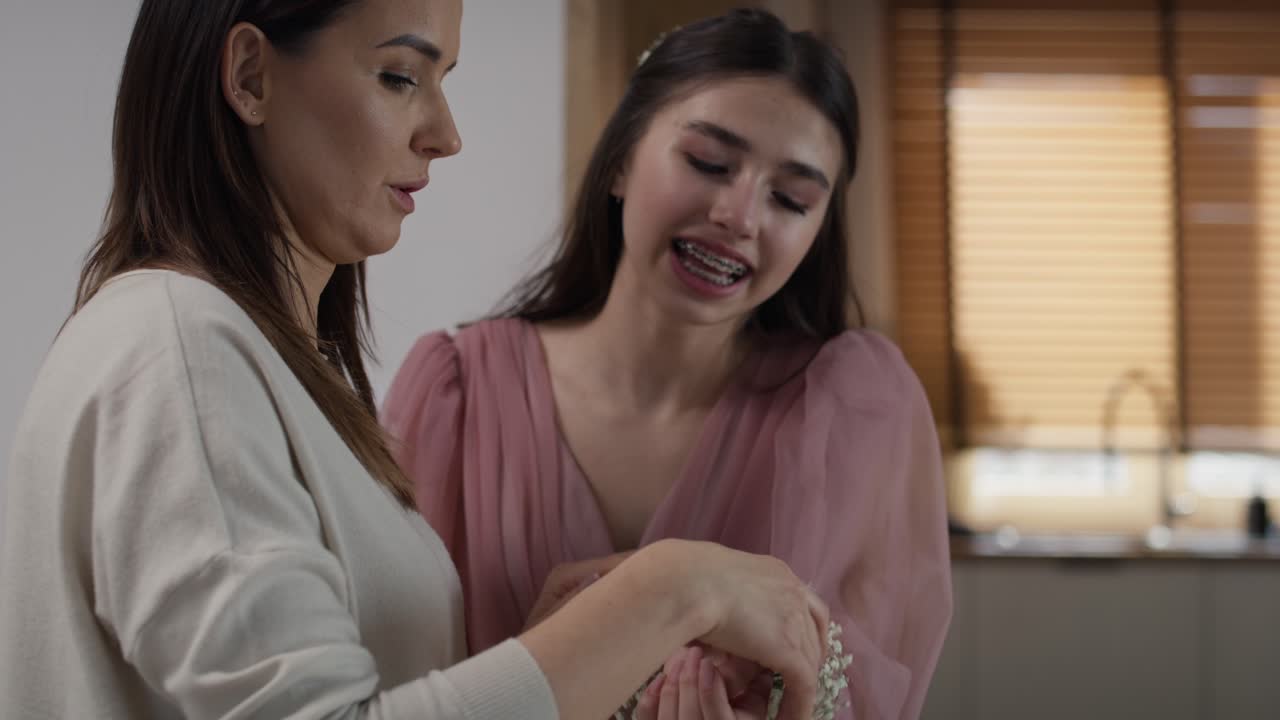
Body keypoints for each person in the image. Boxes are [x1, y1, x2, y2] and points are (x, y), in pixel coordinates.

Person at [0, 2, 834, 719]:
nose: (445, 135)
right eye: (401, 76)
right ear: (250, 76)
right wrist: (676, 587)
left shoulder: (269, 367)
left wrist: (539, 652)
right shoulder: (180, 347)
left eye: (444, 82)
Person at [383, 8, 953, 719]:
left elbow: (868, 692)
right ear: (621, 159)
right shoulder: (455, 394)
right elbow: (391, 687)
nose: (740, 216)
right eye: (709, 163)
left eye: (791, 199)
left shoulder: (855, 408)